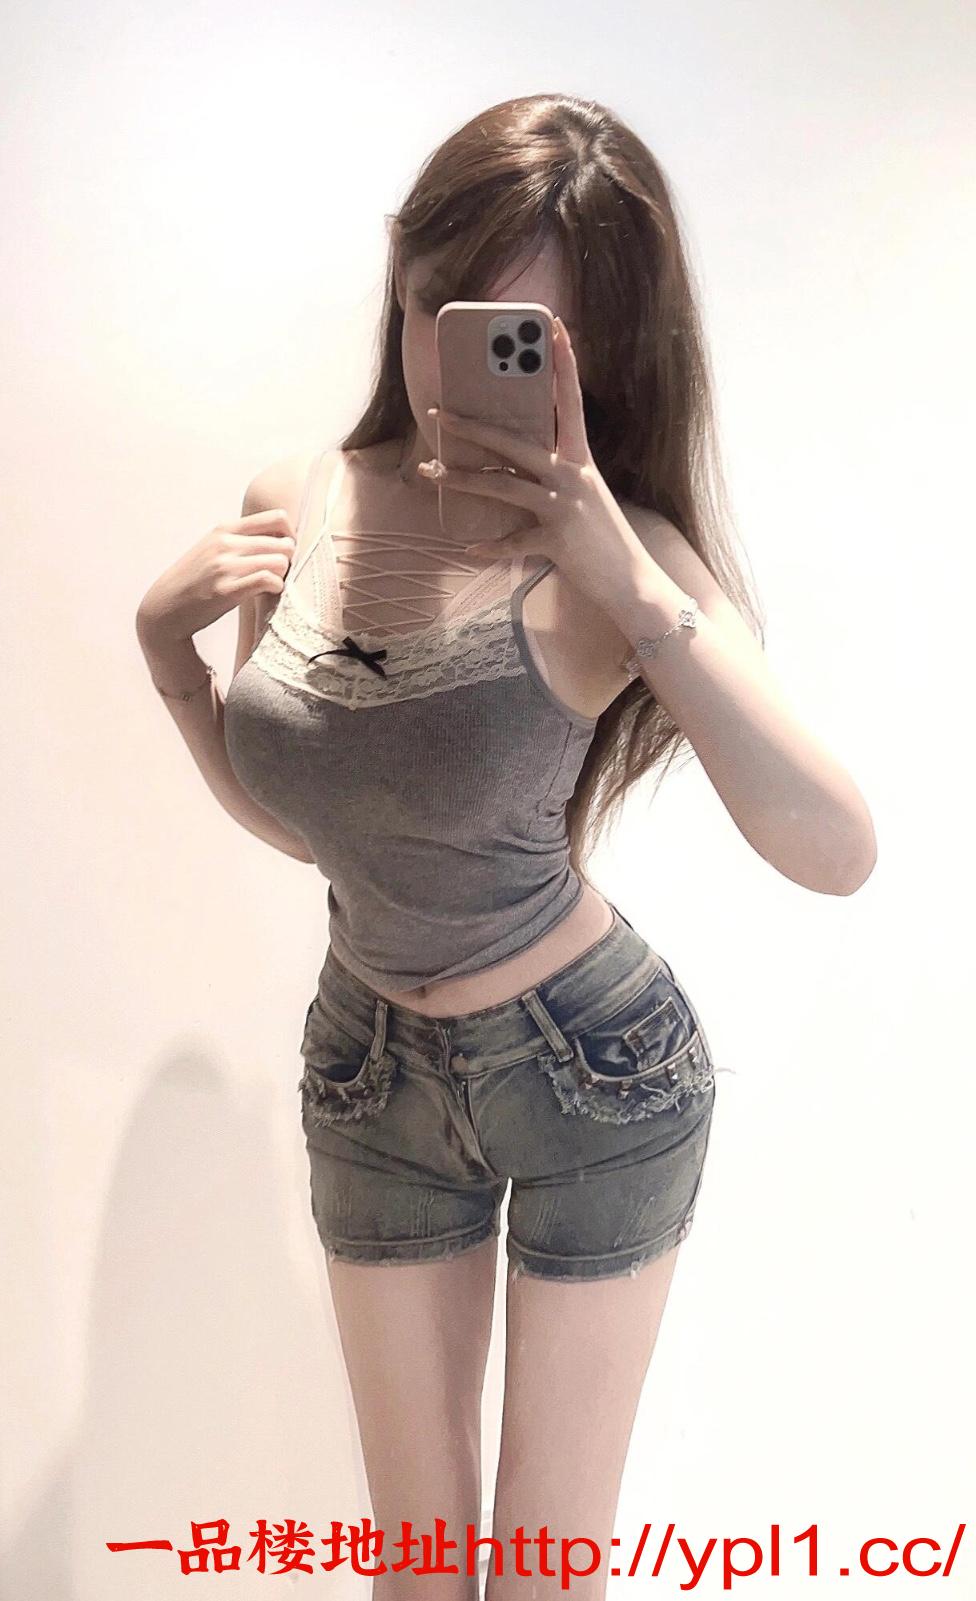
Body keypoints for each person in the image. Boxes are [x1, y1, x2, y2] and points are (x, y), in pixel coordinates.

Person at [135, 93, 876, 1601]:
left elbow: (835, 847)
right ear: (402, 281)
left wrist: (636, 583)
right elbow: (328, 821)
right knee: (417, 1570)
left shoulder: (622, 561)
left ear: (602, 356)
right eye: (440, 307)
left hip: (592, 1069)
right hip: (367, 1065)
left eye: (529, 336)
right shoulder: (294, 504)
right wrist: (172, 669)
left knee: (543, 1569)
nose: (453, 364)